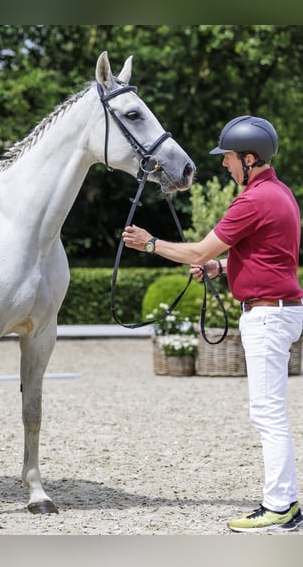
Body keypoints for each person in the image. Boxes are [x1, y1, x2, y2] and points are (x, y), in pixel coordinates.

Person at [122, 115, 303, 532]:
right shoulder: (280, 193)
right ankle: (284, 503)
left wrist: (150, 243)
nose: (224, 164)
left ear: (249, 158)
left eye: (229, 158)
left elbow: (196, 252)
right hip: (281, 308)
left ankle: (280, 505)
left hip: (267, 316)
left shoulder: (253, 200)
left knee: (268, 416)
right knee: (269, 413)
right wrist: (224, 267)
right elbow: (269, 255)